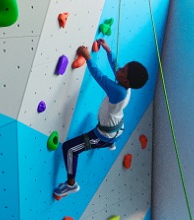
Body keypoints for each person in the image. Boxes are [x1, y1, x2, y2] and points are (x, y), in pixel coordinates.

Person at [53, 39, 149, 199]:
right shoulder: (126, 85)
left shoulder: (119, 92)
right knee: (110, 135)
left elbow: (99, 76)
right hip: (117, 127)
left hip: (103, 135)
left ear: (126, 81)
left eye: (123, 71)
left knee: (69, 149)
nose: (120, 69)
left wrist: (87, 57)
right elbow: (117, 67)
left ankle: (71, 184)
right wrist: (109, 51)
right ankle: (111, 143)